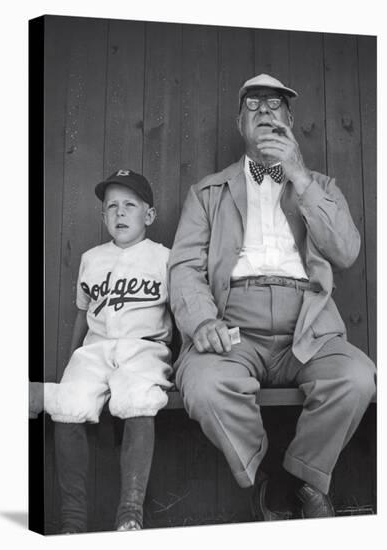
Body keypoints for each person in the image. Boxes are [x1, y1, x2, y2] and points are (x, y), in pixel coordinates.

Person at [168, 74, 376, 520]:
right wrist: (203, 321)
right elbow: (184, 266)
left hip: (309, 325)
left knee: (358, 378)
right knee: (204, 387)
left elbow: (347, 251)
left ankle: (295, 481)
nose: (264, 111)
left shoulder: (319, 185)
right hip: (233, 327)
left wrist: (299, 177)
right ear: (239, 122)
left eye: (275, 104)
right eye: (254, 105)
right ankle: (268, 474)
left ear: (290, 120)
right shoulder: (208, 192)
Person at [44, 169, 173, 533]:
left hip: (144, 348)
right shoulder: (91, 258)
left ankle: (130, 513)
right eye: (111, 206)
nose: (119, 213)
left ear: (148, 215)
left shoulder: (164, 258)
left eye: (129, 205)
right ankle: (73, 521)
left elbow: (179, 312)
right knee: (67, 403)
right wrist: (73, 359)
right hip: (96, 350)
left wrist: (179, 361)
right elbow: (83, 315)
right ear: (102, 216)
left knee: (137, 398)